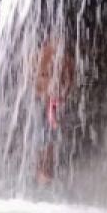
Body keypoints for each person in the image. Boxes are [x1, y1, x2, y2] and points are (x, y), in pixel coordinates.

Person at [33, 40, 74, 186]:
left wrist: (61, 95)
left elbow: (69, 79)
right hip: (41, 101)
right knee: (40, 135)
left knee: (50, 137)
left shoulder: (65, 59)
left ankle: (47, 169)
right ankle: (40, 169)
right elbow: (34, 78)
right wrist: (43, 92)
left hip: (54, 102)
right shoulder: (40, 56)